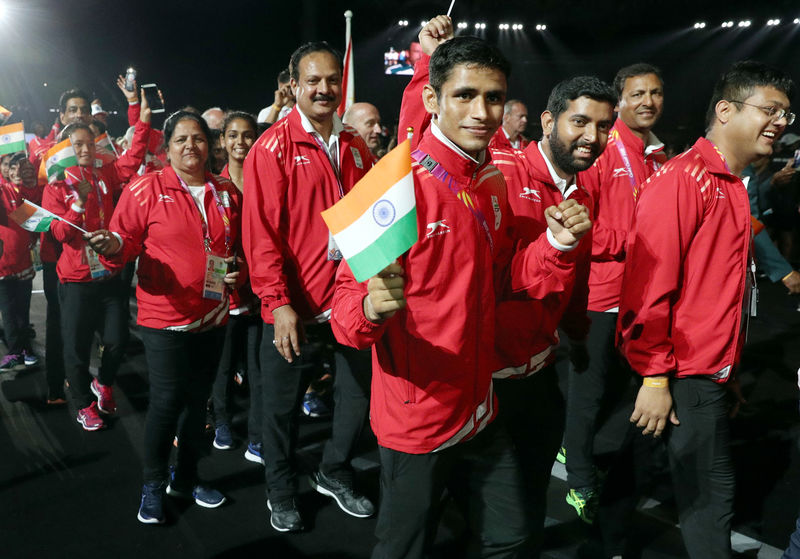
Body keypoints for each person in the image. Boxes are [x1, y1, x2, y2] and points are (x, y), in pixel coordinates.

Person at [335, 17, 589, 559]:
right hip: (418, 417)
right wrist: (369, 306)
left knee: (513, 537)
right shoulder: (393, 183)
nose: (481, 112)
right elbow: (343, 314)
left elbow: (502, 278)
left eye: (493, 98)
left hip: (480, 404)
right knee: (403, 548)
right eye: (465, 95)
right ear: (431, 99)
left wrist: (556, 245)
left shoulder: (491, 179)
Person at [618, 60, 794, 559]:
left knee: (667, 476)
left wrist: (730, 367)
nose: (780, 122)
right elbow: (649, 288)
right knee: (709, 494)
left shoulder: (732, 183)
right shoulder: (683, 181)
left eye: (785, 113)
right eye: (770, 110)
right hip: (683, 368)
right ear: (725, 110)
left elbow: (720, 290)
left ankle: (607, 533)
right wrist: (655, 378)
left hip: (705, 366)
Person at [243, 41, 375, 532]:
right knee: (279, 411)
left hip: (348, 301)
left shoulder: (356, 146)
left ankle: (333, 470)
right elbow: (261, 236)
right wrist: (277, 304)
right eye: (313, 81)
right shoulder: (271, 148)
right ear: (294, 86)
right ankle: (280, 490)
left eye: (332, 80)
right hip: (294, 308)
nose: (324, 89)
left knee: (359, 397)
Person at [94, 110, 246, 524]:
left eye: (197, 138)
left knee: (198, 406)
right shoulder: (146, 189)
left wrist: (238, 269)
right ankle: (153, 484)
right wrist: (111, 245)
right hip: (165, 320)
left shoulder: (226, 191)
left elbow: (238, 246)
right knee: (166, 402)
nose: (190, 147)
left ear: (209, 144)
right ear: (167, 147)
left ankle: (188, 477)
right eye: (181, 140)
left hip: (213, 317)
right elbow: (123, 242)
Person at [561, 62, 666, 532]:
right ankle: (580, 481)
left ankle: (575, 446)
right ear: (620, 101)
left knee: (616, 389)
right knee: (589, 392)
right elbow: (579, 227)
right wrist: (637, 239)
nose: (648, 101)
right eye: (637, 93)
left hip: (636, 294)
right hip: (600, 295)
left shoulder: (655, 154)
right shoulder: (603, 150)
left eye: (656, 93)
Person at [41, 89, 151, 431]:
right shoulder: (57, 185)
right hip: (74, 280)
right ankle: (82, 405)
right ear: (66, 149)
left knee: (117, 340)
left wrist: (143, 122)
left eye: (90, 144)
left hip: (108, 275)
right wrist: (77, 201)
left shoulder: (104, 170)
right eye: (78, 145)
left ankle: (103, 382)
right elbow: (60, 235)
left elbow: (130, 161)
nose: (86, 150)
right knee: (75, 348)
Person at [210, 111, 264, 461]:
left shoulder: (267, 180)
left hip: (261, 288)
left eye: (247, 135)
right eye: (233, 135)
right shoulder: (214, 185)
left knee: (259, 367)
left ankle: (259, 434)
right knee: (224, 364)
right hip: (226, 287)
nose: (240, 143)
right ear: (223, 141)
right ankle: (222, 422)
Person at [0, 153, 41, 372]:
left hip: (23, 261)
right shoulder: (2, 192)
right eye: (9, 166)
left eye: (19, 167)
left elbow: (34, 224)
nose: (14, 171)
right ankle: (15, 351)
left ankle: (25, 349)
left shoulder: (25, 194)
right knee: (8, 311)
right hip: (3, 265)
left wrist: (33, 240)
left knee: (22, 311)